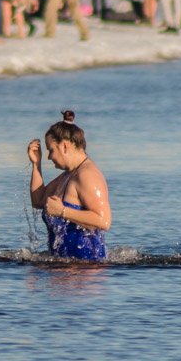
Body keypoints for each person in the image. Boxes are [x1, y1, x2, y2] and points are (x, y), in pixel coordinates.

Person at [27, 110, 111, 261]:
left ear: (64, 146)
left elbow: (104, 221)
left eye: (51, 150)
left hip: (85, 273)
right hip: (66, 271)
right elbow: (38, 201)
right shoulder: (67, 176)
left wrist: (63, 211)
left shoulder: (87, 175)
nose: (49, 157)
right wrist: (36, 164)